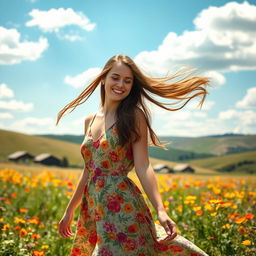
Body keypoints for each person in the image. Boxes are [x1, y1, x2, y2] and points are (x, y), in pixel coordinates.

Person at [56, 54, 210, 256]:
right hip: (93, 208)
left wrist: (160, 209)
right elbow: (89, 171)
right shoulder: (89, 120)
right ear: (104, 78)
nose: (121, 84)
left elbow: (143, 166)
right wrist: (69, 210)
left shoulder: (134, 116)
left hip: (123, 206)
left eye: (127, 81)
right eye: (115, 77)